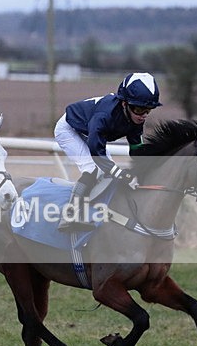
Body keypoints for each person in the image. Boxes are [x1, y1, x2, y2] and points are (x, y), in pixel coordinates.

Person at [54, 72, 162, 231]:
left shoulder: (135, 120)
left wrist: (151, 167)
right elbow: (96, 151)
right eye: (139, 109)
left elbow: (137, 151)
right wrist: (121, 173)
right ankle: (69, 215)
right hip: (69, 129)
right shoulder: (104, 115)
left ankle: (96, 212)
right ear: (124, 104)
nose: (143, 115)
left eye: (148, 110)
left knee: (106, 173)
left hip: (89, 132)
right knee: (91, 169)